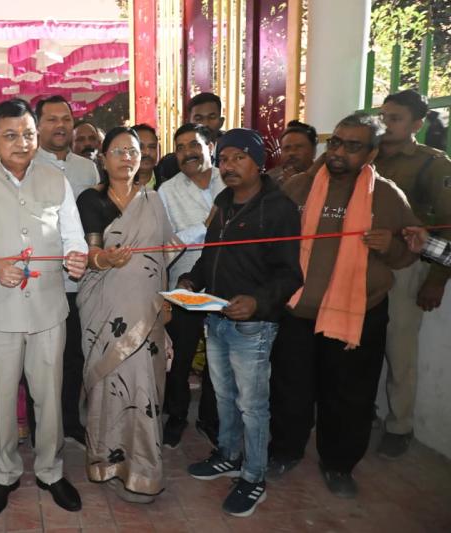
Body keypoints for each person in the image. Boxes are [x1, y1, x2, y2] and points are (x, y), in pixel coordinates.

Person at [0, 98, 88, 519]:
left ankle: (50, 470)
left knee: (49, 396)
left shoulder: (56, 180)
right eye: (10, 135)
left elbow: (74, 236)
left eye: (28, 134)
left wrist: (77, 255)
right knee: (1, 399)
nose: (21, 142)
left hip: (48, 311)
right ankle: (5, 472)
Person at [269, 113, 419, 498]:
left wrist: (391, 247)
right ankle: (285, 451)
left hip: (358, 315)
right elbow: (271, 240)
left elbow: (409, 252)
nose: (338, 152)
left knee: (349, 396)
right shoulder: (298, 187)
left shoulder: (387, 196)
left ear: (371, 154)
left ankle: (338, 464)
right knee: (291, 390)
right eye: (335, 142)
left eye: (352, 146)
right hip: (298, 311)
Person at [184, 128, 302, 518]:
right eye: (223, 159)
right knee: (223, 396)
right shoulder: (223, 202)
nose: (228, 166)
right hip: (217, 316)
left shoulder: (279, 209)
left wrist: (256, 302)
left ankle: (253, 476)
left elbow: (290, 274)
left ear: (259, 162)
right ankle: (229, 455)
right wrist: (191, 282)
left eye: (238, 157)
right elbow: (210, 257)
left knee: (252, 406)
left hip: (254, 325)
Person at [75, 126, 178, 503]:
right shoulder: (91, 199)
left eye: (133, 151)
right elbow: (90, 253)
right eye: (118, 151)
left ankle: (143, 471)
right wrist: (105, 259)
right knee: (109, 383)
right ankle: (106, 463)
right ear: (103, 159)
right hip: (104, 306)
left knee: (144, 386)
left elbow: (163, 255)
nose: (127, 157)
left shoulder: (154, 200)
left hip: (146, 307)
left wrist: (165, 299)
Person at [374, 89, 451, 459]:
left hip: (405, 268)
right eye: (383, 116)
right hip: (364, 262)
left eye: (396, 118)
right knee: (360, 344)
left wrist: (436, 279)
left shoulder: (432, 164)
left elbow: (448, 225)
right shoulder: (368, 156)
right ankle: (363, 410)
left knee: (399, 349)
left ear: (417, 124)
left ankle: (399, 425)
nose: (386, 124)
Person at [35, 95, 100, 447]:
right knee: (41, 361)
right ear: (38, 126)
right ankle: (40, 429)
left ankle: (70, 421)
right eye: (51, 119)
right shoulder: (27, 166)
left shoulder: (87, 169)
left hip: (80, 281)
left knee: (74, 355)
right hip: (41, 283)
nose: (60, 126)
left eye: (66, 119)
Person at [157, 123, 225, 449]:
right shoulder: (167, 191)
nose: (187, 153)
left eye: (194, 145)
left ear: (210, 146)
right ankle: (177, 416)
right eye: (180, 148)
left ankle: (210, 419)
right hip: (185, 284)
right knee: (181, 357)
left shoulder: (230, 179)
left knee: (218, 356)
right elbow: (167, 242)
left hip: (227, 281)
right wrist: (204, 226)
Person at [158, 92, 226, 180]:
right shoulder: (170, 165)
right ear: (188, 122)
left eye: (211, 117)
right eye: (198, 118)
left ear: (221, 122)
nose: (205, 123)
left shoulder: (233, 159)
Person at [133, 124, 161, 189]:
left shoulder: (169, 186)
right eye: (140, 147)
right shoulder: (114, 186)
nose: (147, 153)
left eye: (152, 147)